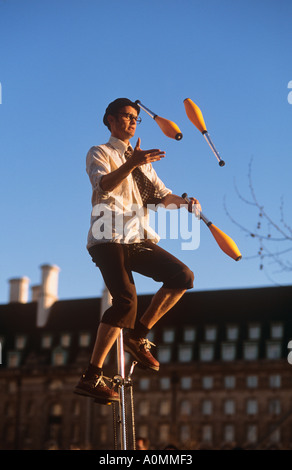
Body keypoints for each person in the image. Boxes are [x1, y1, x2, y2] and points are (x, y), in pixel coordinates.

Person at [75, 98, 201, 403]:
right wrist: (132, 163)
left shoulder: (141, 161)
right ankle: (92, 376)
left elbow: (161, 196)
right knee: (125, 302)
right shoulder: (100, 152)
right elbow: (103, 185)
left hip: (137, 237)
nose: (132, 122)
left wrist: (185, 204)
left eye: (135, 118)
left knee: (182, 276)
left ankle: (137, 335)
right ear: (110, 119)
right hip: (107, 236)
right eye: (126, 117)